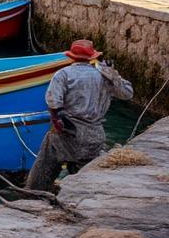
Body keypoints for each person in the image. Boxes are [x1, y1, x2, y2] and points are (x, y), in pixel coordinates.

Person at [25, 41, 133, 192]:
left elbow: (53, 102)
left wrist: (56, 122)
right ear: (92, 57)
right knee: (85, 163)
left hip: (70, 131)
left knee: (48, 152)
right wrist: (113, 75)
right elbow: (127, 93)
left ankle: (36, 191)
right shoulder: (103, 76)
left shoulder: (63, 74)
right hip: (95, 134)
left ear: (72, 57)